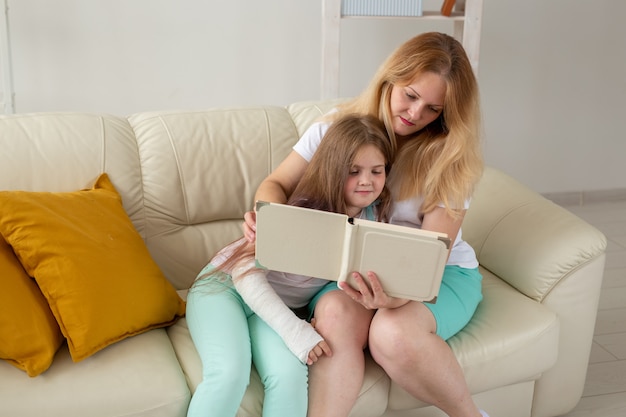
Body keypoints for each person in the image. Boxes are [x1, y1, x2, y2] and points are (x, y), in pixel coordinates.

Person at [242, 32, 489, 417]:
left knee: (391, 335)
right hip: (350, 271)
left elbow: (429, 257)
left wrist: (394, 299)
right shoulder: (333, 132)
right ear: (391, 78)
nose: (415, 114)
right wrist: (273, 219)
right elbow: (275, 184)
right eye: (410, 95)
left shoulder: (450, 161)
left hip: (436, 276)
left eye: (432, 109)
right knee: (337, 316)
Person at [185, 114, 394, 417]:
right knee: (230, 374)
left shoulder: (374, 219)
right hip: (224, 290)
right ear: (334, 170)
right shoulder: (304, 209)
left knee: (291, 376)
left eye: (377, 171)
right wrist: (294, 330)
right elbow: (244, 273)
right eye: (353, 171)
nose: (366, 181)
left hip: (271, 308)